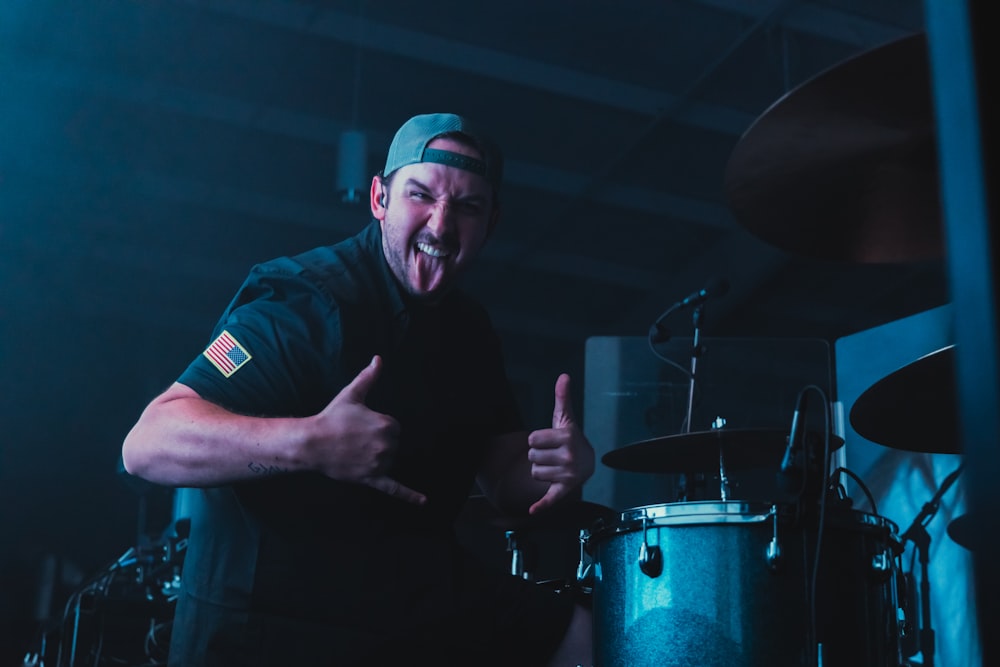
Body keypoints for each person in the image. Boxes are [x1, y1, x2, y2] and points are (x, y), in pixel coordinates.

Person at [121, 112, 596, 666]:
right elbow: (147, 443)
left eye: (468, 207)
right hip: (274, 625)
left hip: (408, 604)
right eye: (420, 195)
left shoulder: (469, 331)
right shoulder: (303, 303)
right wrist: (310, 443)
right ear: (378, 198)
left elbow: (501, 479)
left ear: (491, 222)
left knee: (584, 637)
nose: (441, 226)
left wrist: (558, 468)